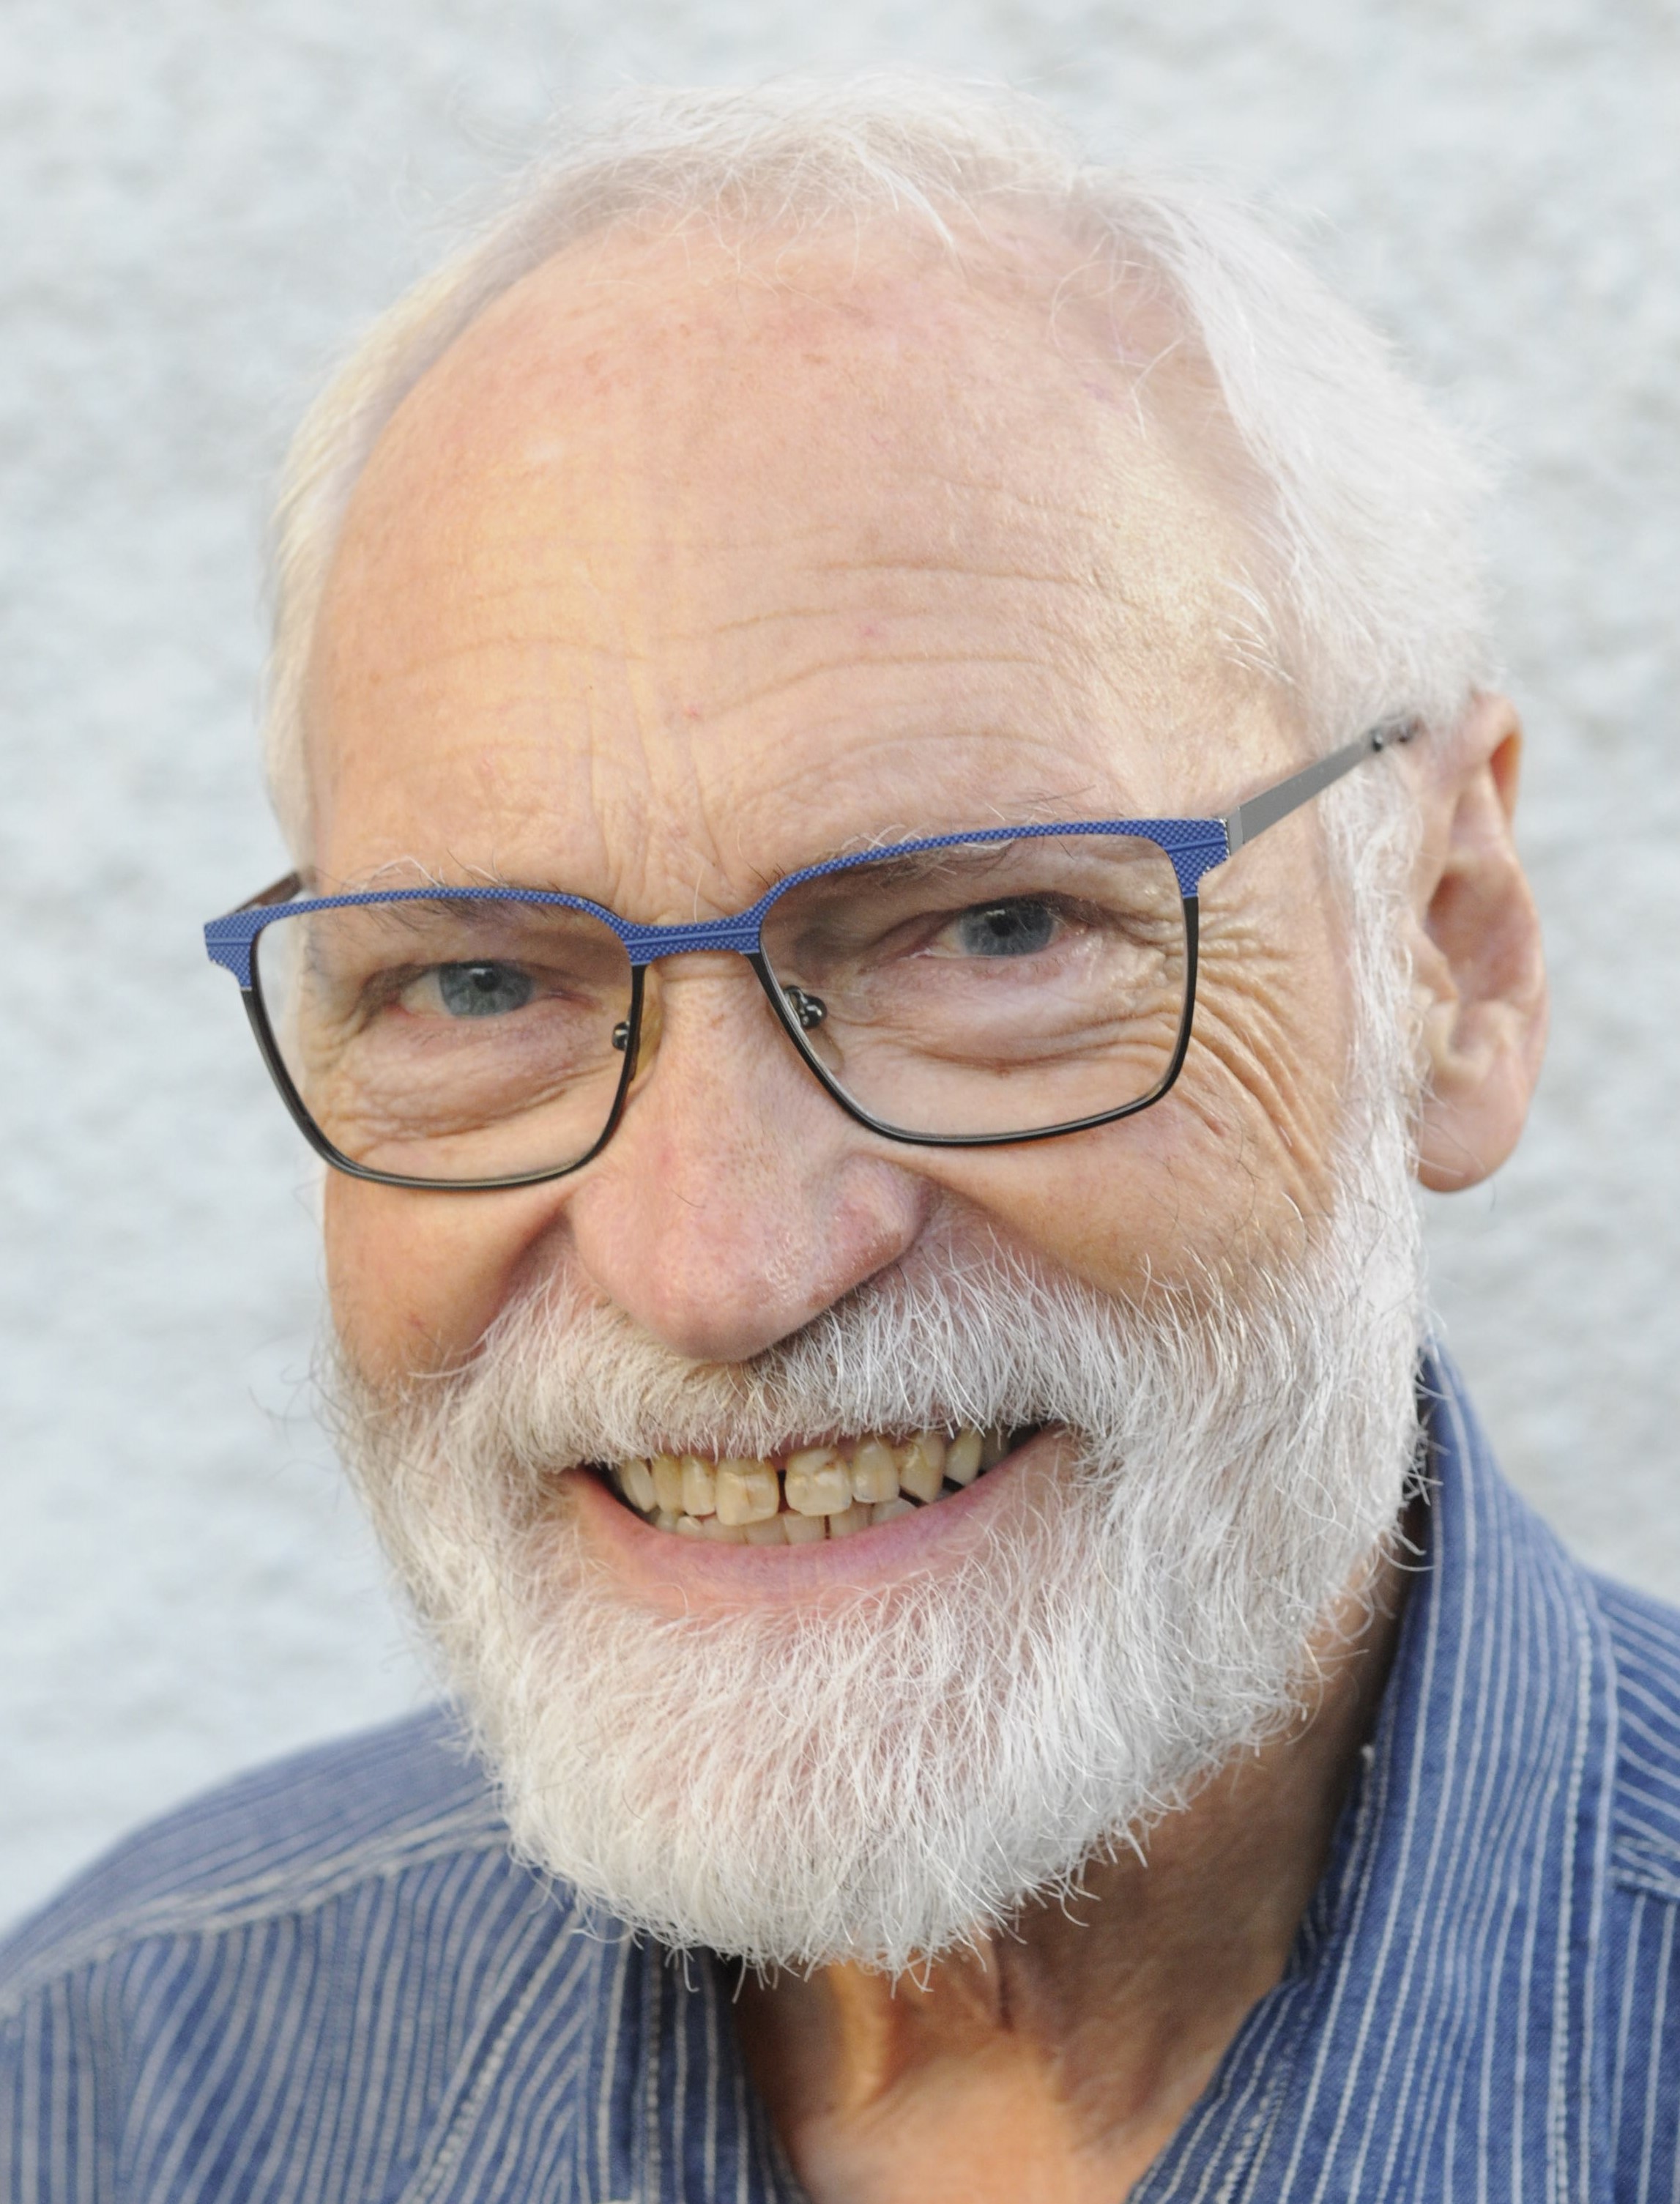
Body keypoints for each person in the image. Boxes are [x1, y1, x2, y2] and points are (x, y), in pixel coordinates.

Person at [4, 76, 1676, 2204]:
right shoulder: (115, 2093)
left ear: (1451, 952)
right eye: (483, 983)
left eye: (995, 931)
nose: (716, 1262)